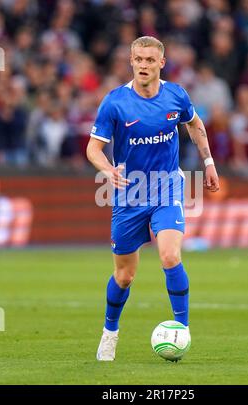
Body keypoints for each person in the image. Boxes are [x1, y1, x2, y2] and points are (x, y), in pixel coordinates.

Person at [86, 36, 219, 361]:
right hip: (128, 195)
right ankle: (110, 332)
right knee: (125, 275)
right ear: (131, 61)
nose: (143, 65)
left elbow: (195, 125)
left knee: (170, 256)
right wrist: (107, 170)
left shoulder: (176, 95)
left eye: (149, 60)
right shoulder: (115, 102)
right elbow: (93, 148)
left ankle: (182, 329)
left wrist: (209, 162)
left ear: (161, 63)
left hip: (166, 189)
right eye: (138, 60)